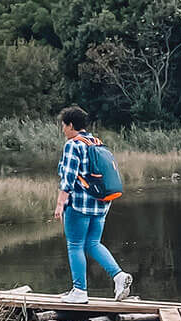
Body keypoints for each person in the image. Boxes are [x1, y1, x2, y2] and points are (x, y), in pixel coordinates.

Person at [55, 105, 134, 304]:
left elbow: (68, 178)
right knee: (93, 243)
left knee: (74, 245)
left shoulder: (73, 145)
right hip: (101, 204)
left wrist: (60, 204)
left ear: (71, 125)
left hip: (79, 204)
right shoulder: (96, 142)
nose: (63, 130)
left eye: (63, 126)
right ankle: (118, 276)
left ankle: (79, 292)